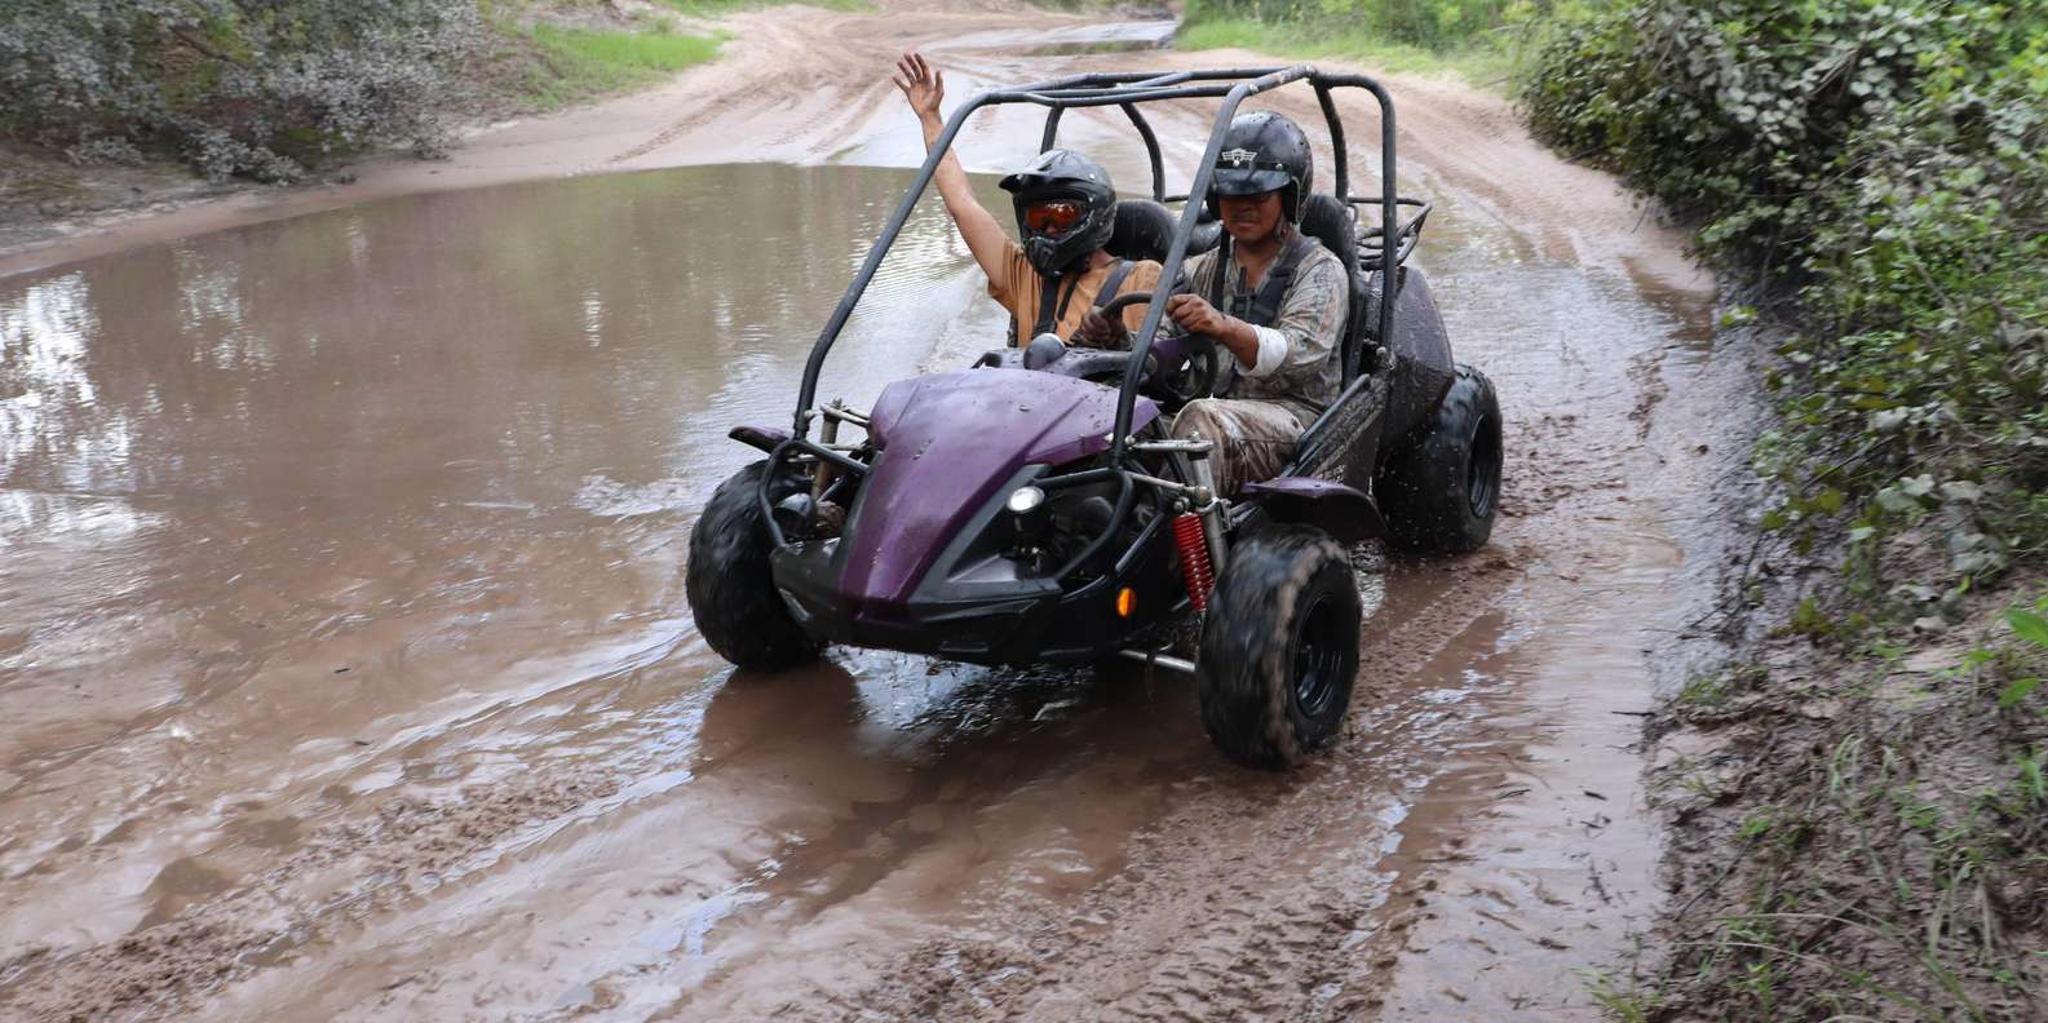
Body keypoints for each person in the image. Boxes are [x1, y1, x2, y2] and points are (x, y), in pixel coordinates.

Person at [893, 52, 1162, 348]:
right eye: (1037, 218)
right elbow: (962, 205)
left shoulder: (1142, 276)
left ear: (1093, 214)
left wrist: (1120, 339)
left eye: (1060, 215)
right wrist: (931, 120)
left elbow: (1164, 357)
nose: (1046, 229)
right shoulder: (1025, 276)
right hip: (1027, 394)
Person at [1161, 111, 1348, 496]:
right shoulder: (1200, 268)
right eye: (1232, 192)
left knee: (1201, 424)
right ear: (1215, 197)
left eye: (1259, 194)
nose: (1243, 205)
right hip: (1212, 409)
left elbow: (1301, 354)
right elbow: (1159, 342)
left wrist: (1224, 326)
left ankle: (1178, 550)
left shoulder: (1321, 270)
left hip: (1293, 418)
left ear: (1289, 196)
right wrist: (1115, 337)